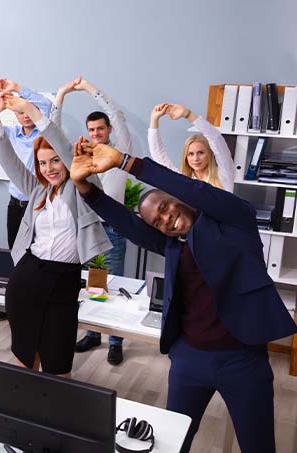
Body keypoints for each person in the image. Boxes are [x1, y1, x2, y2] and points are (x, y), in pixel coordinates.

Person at [69, 141, 296, 452]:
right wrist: (86, 188)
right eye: (157, 223)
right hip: (189, 359)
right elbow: (129, 225)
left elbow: (196, 190)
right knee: (172, 444)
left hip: (242, 360)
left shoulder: (234, 219)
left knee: (258, 447)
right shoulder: (172, 245)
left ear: (177, 198)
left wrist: (126, 162)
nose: (166, 219)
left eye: (165, 207)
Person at [0, 92, 111, 376]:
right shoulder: (37, 190)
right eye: (43, 163)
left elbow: (65, 149)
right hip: (27, 279)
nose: (49, 169)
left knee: (58, 369)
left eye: (55, 161)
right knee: (25, 362)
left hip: (64, 282)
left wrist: (30, 110)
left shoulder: (83, 185)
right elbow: (8, 159)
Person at [53, 76, 132, 365]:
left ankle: (116, 340)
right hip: (87, 226)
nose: (96, 133)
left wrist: (88, 89)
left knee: (114, 283)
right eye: (92, 129)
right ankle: (93, 333)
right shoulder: (81, 158)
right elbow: (54, 133)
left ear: (108, 130)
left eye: (101, 128)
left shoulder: (119, 152)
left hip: (114, 229)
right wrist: (61, 94)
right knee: (91, 285)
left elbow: (117, 115)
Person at [0, 78, 52, 322]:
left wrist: (18, 89)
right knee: (16, 254)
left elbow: (45, 106)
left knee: (38, 255)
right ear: (16, 115)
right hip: (16, 204)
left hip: (39, 205)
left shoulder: (44, 133)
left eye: (28, 110)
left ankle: (36, 304)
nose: (25, 116)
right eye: (20, 112)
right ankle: (15, 303)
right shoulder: (9, 133)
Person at [148, 103, 234, 191]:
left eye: (200, 153)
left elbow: (215, 138)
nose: (196, 159)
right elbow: (158, 155)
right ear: (186, 157)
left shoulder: (224, 173)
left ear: (209, 153)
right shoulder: (184, 180)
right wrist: (154, 119)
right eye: (190, 154)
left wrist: (188, 114)